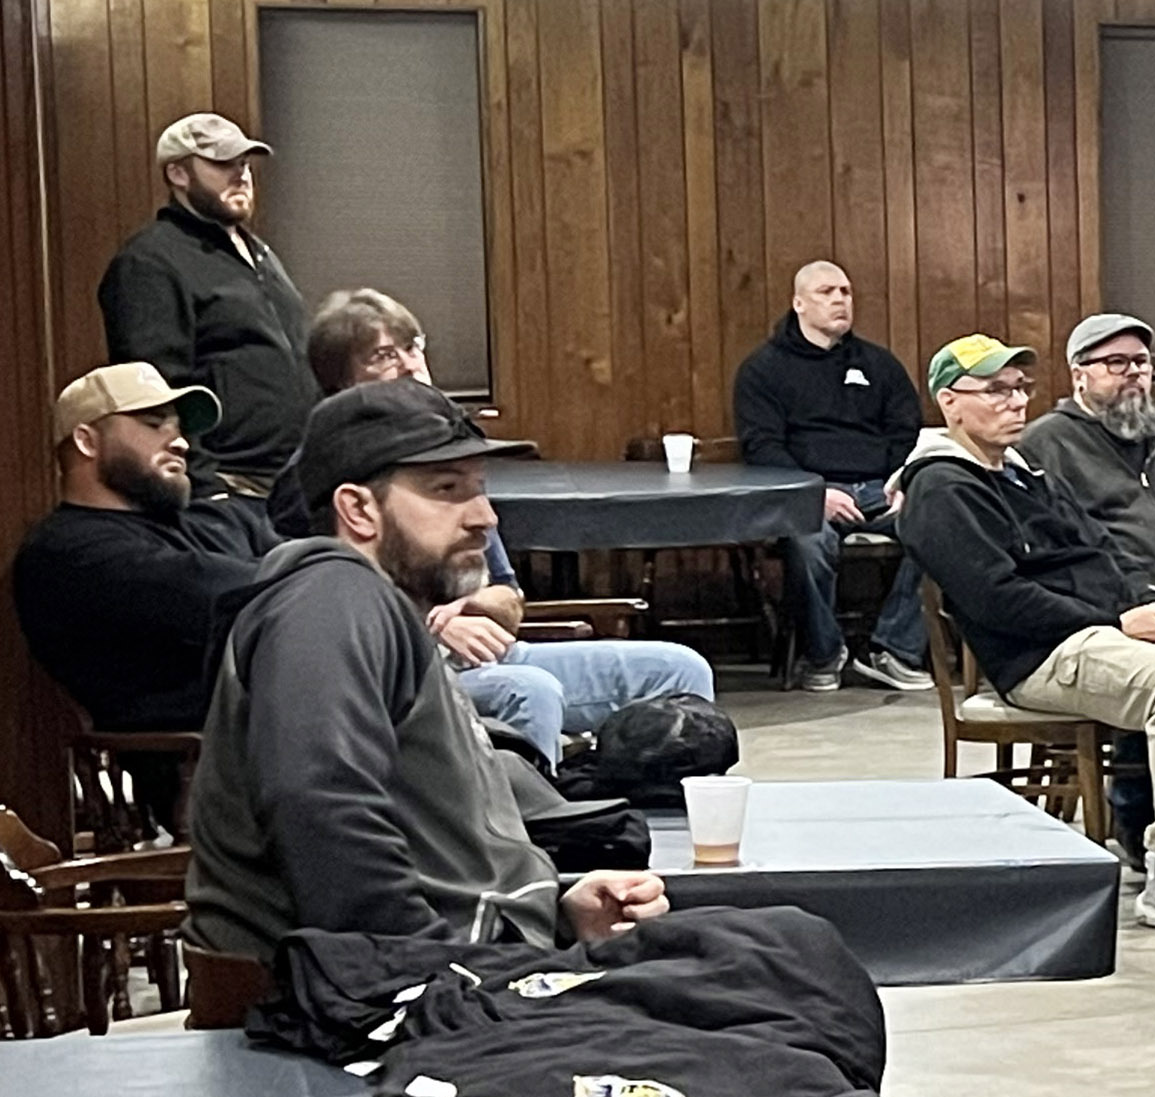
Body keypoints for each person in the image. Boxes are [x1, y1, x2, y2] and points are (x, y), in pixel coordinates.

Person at [184, 378, 668, 962]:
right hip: (374, 989)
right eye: (447, 488)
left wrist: (557, 914)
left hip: (457, 962)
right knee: (747, 967)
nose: (485, 517)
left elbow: (436, 859)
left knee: (742, 948)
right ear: (358, 509)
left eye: (479, 488)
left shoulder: (369, 603)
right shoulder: (330, 599)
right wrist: (444, 974)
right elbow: (318, 807)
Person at [893, 334, 1155, 938]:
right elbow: (999, 600)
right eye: (996, 391)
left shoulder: (1024, 473)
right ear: (950, 402)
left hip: (1104, 628)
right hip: (1040, 656)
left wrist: (1143, 604)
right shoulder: (941, 489)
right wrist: (1116, 622)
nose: (1016, 402)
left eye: (1019, 389)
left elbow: (1101, 549)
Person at [291, 288, 715, 767]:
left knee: (679, 670)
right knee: (529, 691)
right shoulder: (321, 474)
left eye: (413, 347)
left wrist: (470, 605)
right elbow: (328, 607)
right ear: (340, 381)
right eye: (385, 355)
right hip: (407, 670)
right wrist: (429, 630)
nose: (410, 366)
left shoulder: (452, 453)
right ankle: (531, 813)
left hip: (494, 655)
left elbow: (509, 601)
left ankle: (642, 806)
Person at [12, 364, 272, 733]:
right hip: (209, 753)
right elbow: (225, 595)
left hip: (287, 721)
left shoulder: (218, 519)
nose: (181, 442)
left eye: (179, 428)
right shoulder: (66, 553)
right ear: (87, 441)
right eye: (153, 424)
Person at [97, 114, 315, 520]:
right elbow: (157, 388)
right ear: (178, 173)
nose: (241, 175)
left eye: (244, 163)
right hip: (229, 490)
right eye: (223, 164)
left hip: (294, 484)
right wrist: (204, 486)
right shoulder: (149, 262)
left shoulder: (261, 254)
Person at [732, 261, 932, 692]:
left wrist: (904, 480)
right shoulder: (763, 369)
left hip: (881, 488)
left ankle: (895, 650)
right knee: (807, 542)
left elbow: (906, 432)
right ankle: (823, 655)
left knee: (942, 525)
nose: (840, 300)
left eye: (846, 291)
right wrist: (814, 492)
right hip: (809, 491)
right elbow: (762, 447)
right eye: (827, 292)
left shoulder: (879, 364)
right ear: (798, 303)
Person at [1017, 312, 1155, 614]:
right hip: (1113, 613)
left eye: (1141, 361)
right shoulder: (1046, 444)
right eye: (1117, 362)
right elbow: (1059, 546)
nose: (1133, 372)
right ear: (1079, 376)